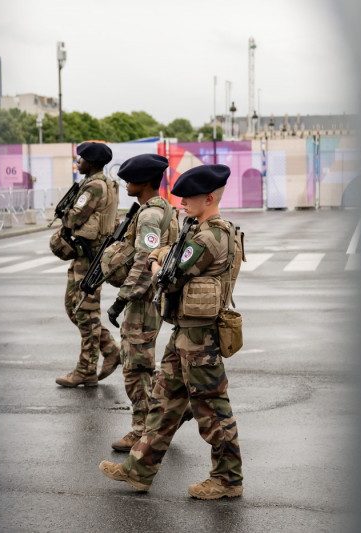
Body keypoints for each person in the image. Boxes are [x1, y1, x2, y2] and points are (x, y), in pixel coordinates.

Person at [99, 164, 245, 500]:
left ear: (209, 198)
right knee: (163, 404)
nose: (181, 202)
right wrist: (163, 255)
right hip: (184, 335)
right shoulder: (199, 230)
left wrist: (154, 259)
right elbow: (173, 260)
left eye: (189, 198)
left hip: (200, 339)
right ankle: (138, 470)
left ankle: (227, 479)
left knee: (212, 410)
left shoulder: (211, 236)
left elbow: (170, 275)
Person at [101, 154, 181, 452]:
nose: (126, 183)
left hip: (143, 298)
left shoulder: (149, 215)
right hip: (152, 297)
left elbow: (145, 259)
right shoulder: (164, 209)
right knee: (144, 363)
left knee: (135, 365)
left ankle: (141, 431)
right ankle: (163, 418)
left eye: (130, 179)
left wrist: (121, 301)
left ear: (145, 182)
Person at [55, 142, 122, 387]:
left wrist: (65, 213)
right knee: (74, 308)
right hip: (85, 255)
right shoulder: (100, 183)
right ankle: (110, 349)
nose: (78, 162)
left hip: (90, 256)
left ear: (91, 162)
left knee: (85, 310)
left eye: (81, 158)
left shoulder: (94, 186)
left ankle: (86, 369)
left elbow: (74, 218)